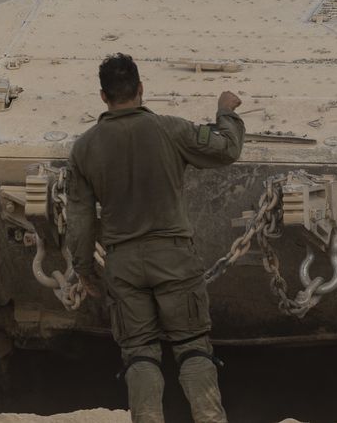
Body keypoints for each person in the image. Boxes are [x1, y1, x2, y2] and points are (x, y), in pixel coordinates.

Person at [66, 53, 244, 423]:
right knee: (192, 347)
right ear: (141, 89)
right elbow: (227, 149)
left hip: (123, 265)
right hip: (174, 258)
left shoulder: (84, 148)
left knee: (139, 353)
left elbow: (80, 219)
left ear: (103, 96)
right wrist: (225, 112)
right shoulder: (171, 130)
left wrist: (84, 270)